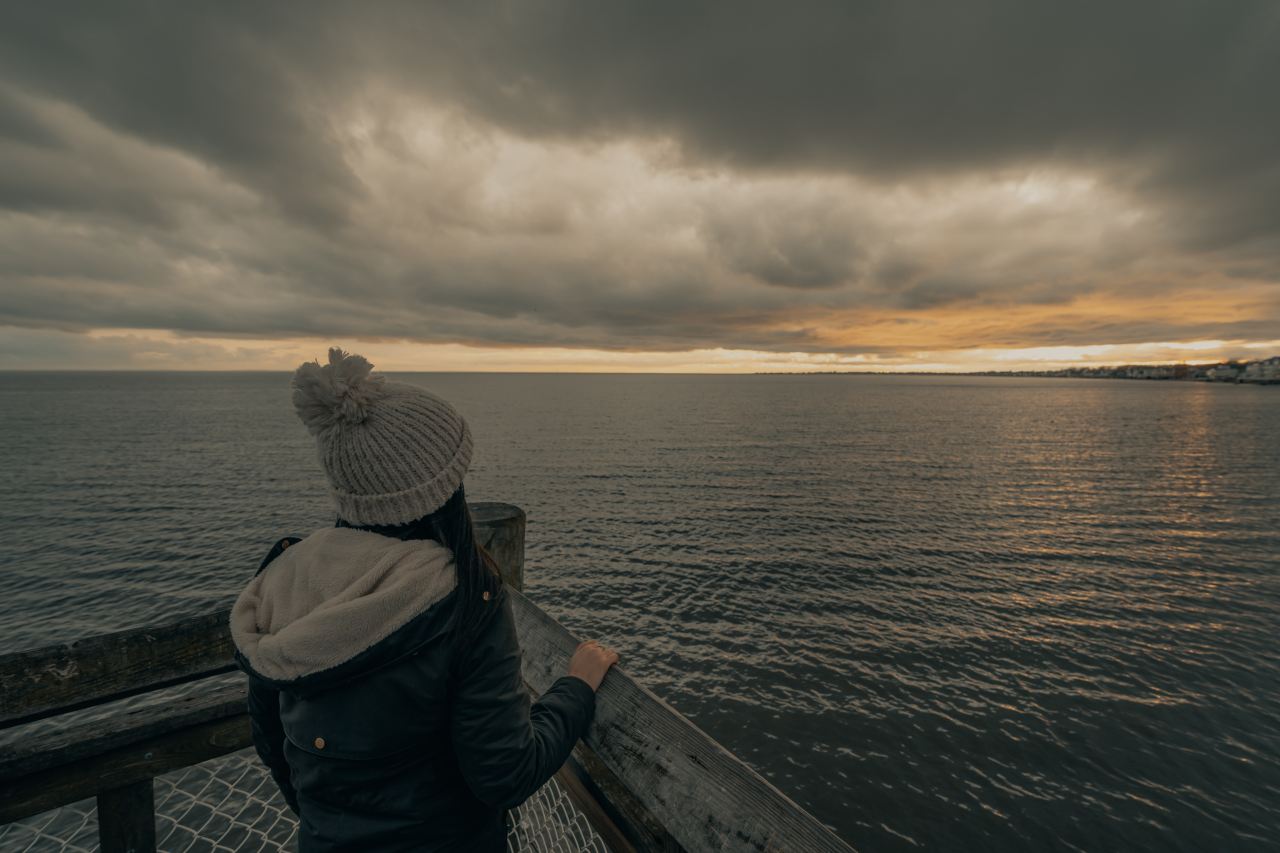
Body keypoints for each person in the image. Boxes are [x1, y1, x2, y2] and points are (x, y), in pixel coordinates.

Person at [229, 347, 619, 852]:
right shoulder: (465, 600)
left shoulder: (287, 576)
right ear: (442, 489)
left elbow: (269, 734)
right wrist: (576, 689)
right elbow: (505, 773)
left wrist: (330, 823)